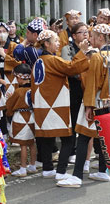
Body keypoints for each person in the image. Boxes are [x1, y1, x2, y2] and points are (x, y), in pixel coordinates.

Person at [65, 23, 110, 188]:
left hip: (97, 100)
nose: (90, 39)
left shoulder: (98, 56)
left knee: (83, 136)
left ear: (101, 37)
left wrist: (89, 105)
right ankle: (103, 171)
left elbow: (92, 83)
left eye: (93, 36)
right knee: (105, 136)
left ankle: (76, 176)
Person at [31, 29, 90, 179]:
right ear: (46, 43)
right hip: (55, 104)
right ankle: (61, 171)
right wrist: (82, 52)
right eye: (55, 41)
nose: (58, 44)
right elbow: (72, 68)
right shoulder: (52, 60)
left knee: (46, 137)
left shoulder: (39, 60)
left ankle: (48, 168)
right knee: (68, 138)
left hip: (41, 104)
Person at [60, 22, 91, 173]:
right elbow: (71, 69)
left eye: (87, 32)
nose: (85, 34)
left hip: (88, 90)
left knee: (88, 124)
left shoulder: (92, 49)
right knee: (72, 122)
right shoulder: (68, 49)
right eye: (81, 32)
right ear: (73, 35)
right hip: (73, 89)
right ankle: (70, 153)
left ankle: (86, 158)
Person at [6, 63, 37, 176]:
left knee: (23, 144)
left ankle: (23, 168)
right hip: (32, 116)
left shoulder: (19, 91)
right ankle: (33, 165)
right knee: (32, 143)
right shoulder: (33, 89)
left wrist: (9, 100)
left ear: (19, 77)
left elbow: (9, 105)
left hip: (20, 117)